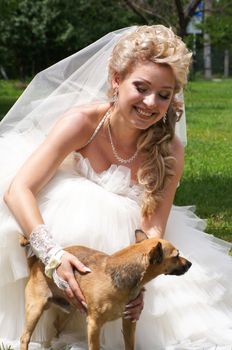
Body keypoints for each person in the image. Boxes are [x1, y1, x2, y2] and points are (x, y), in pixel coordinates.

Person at [0, 25, 231, 350]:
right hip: (60, 226)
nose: (151, 103)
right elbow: (18, 189)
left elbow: (152, 227)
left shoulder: (170, 149)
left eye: (164, 95)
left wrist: (139, 282)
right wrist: (53, 255)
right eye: (141, 87)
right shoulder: (82, 122)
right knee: (77, 209)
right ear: (116, 80)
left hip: (125, 243)